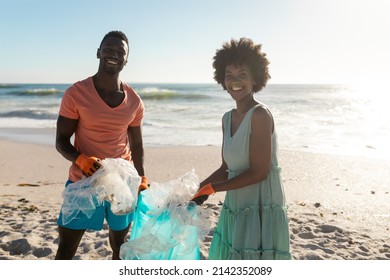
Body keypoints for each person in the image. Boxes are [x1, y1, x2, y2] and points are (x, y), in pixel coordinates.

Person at [191, 38, 291, 260]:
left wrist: (213, 189)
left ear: (255, 78)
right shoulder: (227, 118)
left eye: (242, 75)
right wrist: (198, 190)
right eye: (229, 76)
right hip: (237, 204)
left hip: (260, 205)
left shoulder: (260, 115)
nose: (235, 81)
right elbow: (226, 167)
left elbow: (259, 172)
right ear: (222, 79)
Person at [54, 31, 148, 260]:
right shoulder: (76, 93)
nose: (113, 54)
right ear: (98, 52)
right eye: (108, 48)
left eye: (120, 51)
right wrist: (81, 159)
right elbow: (61, 141)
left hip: (121, 185)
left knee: (119, 246)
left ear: (126, 60)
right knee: (66, 249)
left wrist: (142, 179)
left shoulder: (134, 101)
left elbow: (137, 144)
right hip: (82, 182)